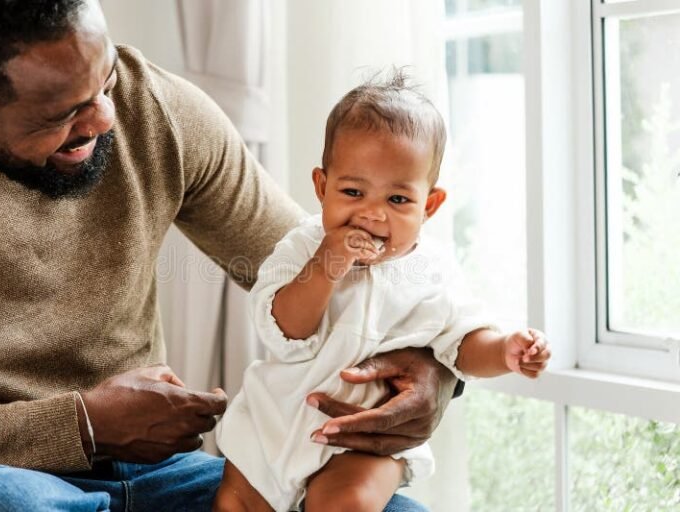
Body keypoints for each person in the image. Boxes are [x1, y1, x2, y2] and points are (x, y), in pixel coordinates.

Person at [0, 1, 460, 511]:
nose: (105, 118)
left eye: (106, 80)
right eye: (64, 113)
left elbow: (327, 269)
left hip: (157, 472)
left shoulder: (154, 109)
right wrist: (82, 425)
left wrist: (435, 367)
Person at [212, 72, 551, 512]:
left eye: (397, 200)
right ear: (322, 187)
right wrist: (327, 263)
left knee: (345, 503)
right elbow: (284, 329)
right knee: (235, 502)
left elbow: (463, 343)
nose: (372, 214)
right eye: (353, 192)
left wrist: (505, 350)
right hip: (274, 423)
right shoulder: (302, 247)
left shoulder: (434, 270)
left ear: (429, 205)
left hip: (365, 441)